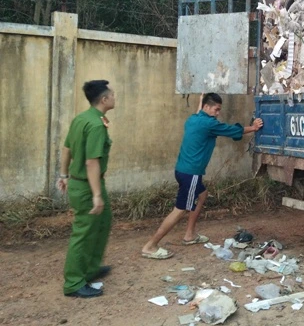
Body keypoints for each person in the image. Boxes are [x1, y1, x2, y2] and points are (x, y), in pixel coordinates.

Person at [141, 93, 263, 259]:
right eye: (216, 109)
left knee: (202, 194)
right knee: (180, 209)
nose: (218, 113)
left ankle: (190, 235)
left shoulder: (193, 119)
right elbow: (233, 130)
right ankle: (151, 245)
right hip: (191, 174)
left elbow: (201, 112)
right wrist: (254, 127)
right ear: (207, 107)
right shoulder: (209, 124)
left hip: (182, 170)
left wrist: (200, 101)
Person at [57, 80, 116, 298]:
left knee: (103, 222)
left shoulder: (82, 118)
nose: (114, 97)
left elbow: (66, 148)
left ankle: (90, 269)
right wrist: (97, 195)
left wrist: (64, 175)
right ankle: (73, 282)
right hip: (87, 185)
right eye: (112, 94)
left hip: (84, 182)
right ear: (104, 99)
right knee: (83, 233)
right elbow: (92, 162)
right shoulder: (96, 125)